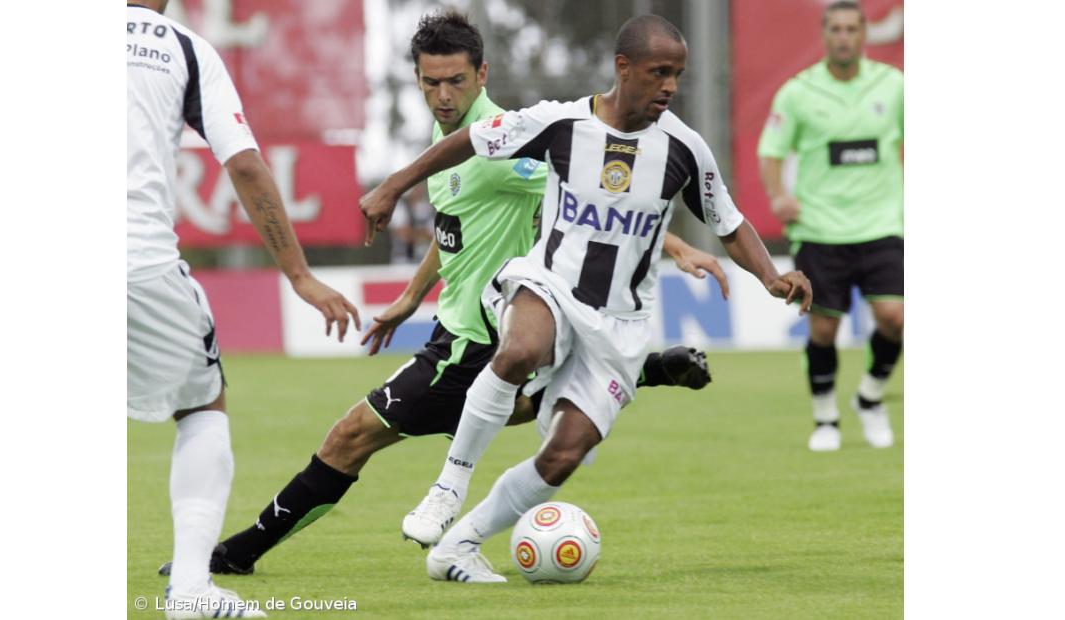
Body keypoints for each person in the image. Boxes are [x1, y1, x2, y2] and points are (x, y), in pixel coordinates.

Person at [156, 10, 722, 579]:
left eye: (456, 81)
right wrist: (410, 295)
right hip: (463, 328)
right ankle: (640, 374)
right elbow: (455, 223)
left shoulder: (504, 146)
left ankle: (235, 555)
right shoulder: (443, 136)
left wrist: (675, 246)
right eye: (431, 83)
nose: (443, 96)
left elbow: (606, 196)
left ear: (483, 74)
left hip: (480, 335)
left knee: (351, 436)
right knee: (522, 410)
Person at [364, 14, 813, 582]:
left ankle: (458, 546)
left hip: (619, 324)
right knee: (521, 349)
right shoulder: (559, 122)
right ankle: (447, 487)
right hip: (548, 282)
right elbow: (468, 142)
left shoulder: (685, 148)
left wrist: (772, 277)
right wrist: (390, 186)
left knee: (562, 455)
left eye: (677, 74)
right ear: (623, 69)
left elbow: (729, 223)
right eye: (659, 73)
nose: (670, 86)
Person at [127, 2, 359, 616]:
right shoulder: (184, 48)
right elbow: (246, 165)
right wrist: (300, 276)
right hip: (139, 263)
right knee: (202, 406)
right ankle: (191, 592)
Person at [757, 0, 903, 452]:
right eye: (836, 29)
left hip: (881, 223)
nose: (844, 36)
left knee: (895, 318)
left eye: (852, 29)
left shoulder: (894, 85)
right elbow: (771, 151)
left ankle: (870, 398)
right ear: (825, 35)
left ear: (865, 35)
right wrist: (779, 196)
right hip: (820, 229)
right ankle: (825, 419)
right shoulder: (798, 93)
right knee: (823, 331)